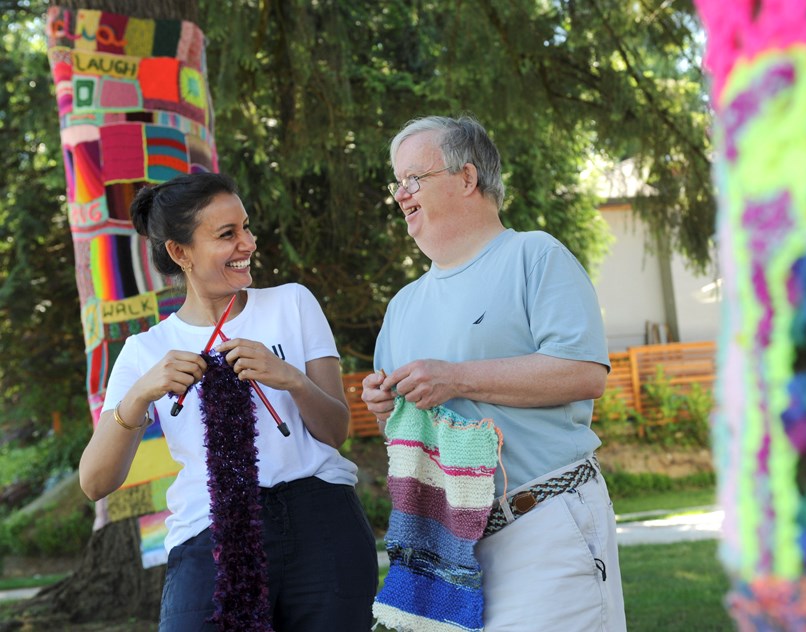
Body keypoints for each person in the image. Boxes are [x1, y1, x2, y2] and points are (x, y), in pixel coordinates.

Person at [79, 172, 378, 631]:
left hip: (320, 521)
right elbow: (96, 482)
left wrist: (291, 379)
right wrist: (140, 395)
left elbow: (335, 432)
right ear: (180, 253)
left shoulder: (292, 304)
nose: (249, 243)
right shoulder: (145, 351)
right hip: (210, 531)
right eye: (227, 234)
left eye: (246, 227)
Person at [361, 115, 626, 631]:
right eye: (397, 183)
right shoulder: (402, 306)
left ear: (466, 178)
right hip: (444, 551)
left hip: (542, 524)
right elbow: (407, 438)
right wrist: (386, 408)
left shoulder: (535, 255)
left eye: (414, 179)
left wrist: (455, 378)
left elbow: (583, 373)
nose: (400, 195)